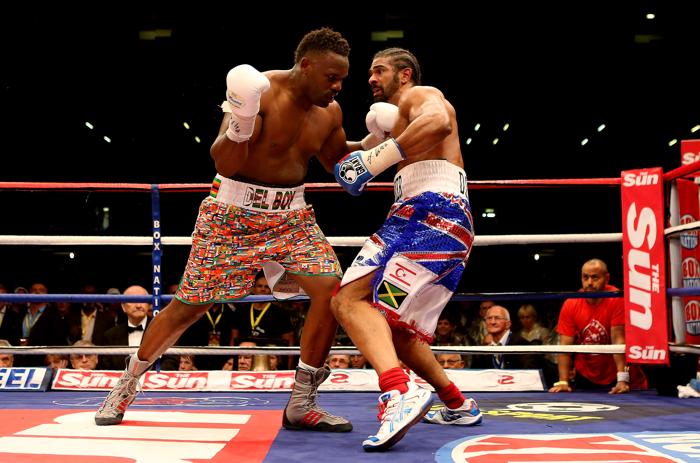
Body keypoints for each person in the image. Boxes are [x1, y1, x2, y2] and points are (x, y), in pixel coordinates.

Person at [95, 28, 358, 433]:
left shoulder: (331, 113)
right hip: (232, 213)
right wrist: (241, 121)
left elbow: (337, 163)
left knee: (332, 290)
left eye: (342, 79)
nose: (337, 87)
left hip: (291, 216)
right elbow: (225, 163)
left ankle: (302, 402)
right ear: (306, 65)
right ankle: (126, 384)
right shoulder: (260, 91)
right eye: (331, 77)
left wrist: (383, 143)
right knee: (189, 306)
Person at [331, 47, 481, 452]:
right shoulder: (394, 122)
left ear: (404, 75)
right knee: (394, 326)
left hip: (430, 213)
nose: (370, 78)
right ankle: (457, 404)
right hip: (430, 217)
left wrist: (377, 158)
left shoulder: (420, 95)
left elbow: (438, 121)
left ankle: (399, 391)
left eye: (379, 70)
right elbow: (353, 155)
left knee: (349, 301)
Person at [549, 258, 647, 394]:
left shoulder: (616, 298)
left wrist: (622, 379)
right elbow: (565, 345)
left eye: (595, 277)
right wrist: (563, 381)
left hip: (617, 373)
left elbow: (618, 340)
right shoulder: (571, 303)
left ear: (607, 279)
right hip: (586, 373)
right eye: (585, 277)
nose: (589, 282)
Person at [471, 305, 544, 371]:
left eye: (497, 318)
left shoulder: (521, 344)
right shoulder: (485, 348)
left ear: (508, 324)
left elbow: (529, 374)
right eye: (489, 318)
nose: (492, 322)